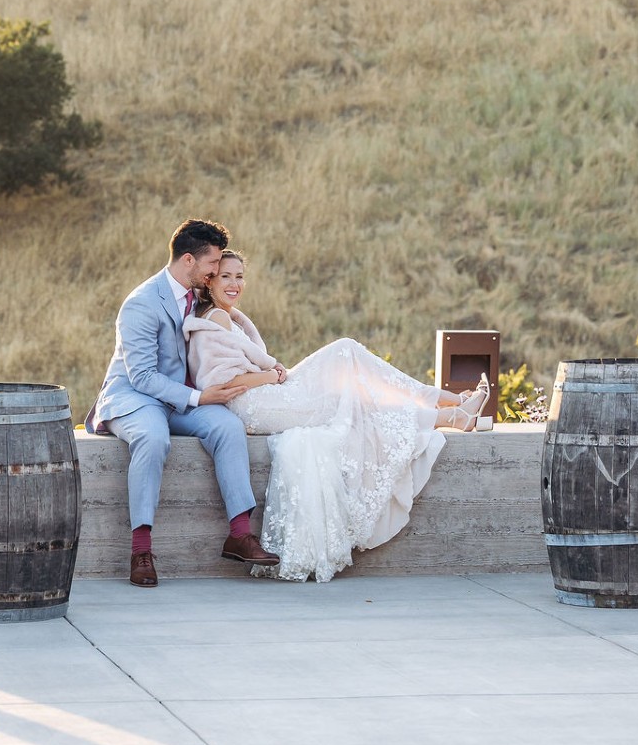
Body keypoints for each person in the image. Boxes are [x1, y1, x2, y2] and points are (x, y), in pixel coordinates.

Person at [183, 249, 488, 582]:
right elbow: (222, 382)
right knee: (347, 361)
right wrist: (269, 376)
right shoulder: (216, 319)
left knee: (350, 371)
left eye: (239, 276)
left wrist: (271, 375)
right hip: (256, 405)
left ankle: (455, 412)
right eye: (225, 276)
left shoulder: (227, 316)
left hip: (266, 394)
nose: (234, 284)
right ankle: (450, 405)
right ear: (209, 280)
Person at [87, 219, 281, 587]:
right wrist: (199, 397)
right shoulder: (141, 303)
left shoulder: (199, 296)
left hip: (180, 398)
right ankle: (141, 549)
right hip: (136, 397)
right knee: (152, 437)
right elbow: (142, 376)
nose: (216, 273)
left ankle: (240, 533)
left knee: (226, 426)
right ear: (189, 260)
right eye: (212, 265)